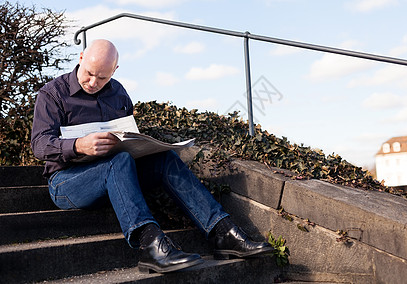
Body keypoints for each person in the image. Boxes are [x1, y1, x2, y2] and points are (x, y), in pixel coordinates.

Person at [31, 39, 272, 274]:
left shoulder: (119, 94)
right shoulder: (52, 94)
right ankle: (151, 247)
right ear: (81, 58)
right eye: (89, 73)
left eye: (103, 77)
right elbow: (39, 145)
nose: (93, 82)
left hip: (117, 176)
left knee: (164, 159)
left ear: (115, 70)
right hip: (67, 182)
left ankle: (223, 233)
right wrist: (79, 145)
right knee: (119, 162)